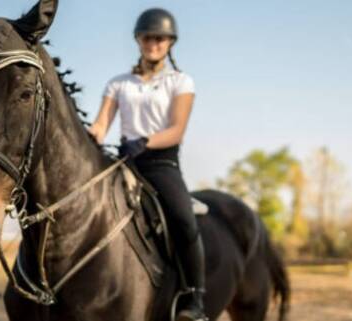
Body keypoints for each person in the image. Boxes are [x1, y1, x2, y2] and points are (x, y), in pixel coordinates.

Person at [88, 8, 206, 321]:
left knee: (183, 219)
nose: (153, 42)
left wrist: (145, 141)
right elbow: (101, 125)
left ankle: (195, 298)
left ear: (170, 42)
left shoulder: (180, 81)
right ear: (138, 40)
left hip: (160, 163)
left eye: (160, 38)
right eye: (148, 37)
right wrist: (87, 136)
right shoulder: (118, 83)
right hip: (124, 160)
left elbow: (176, 130)